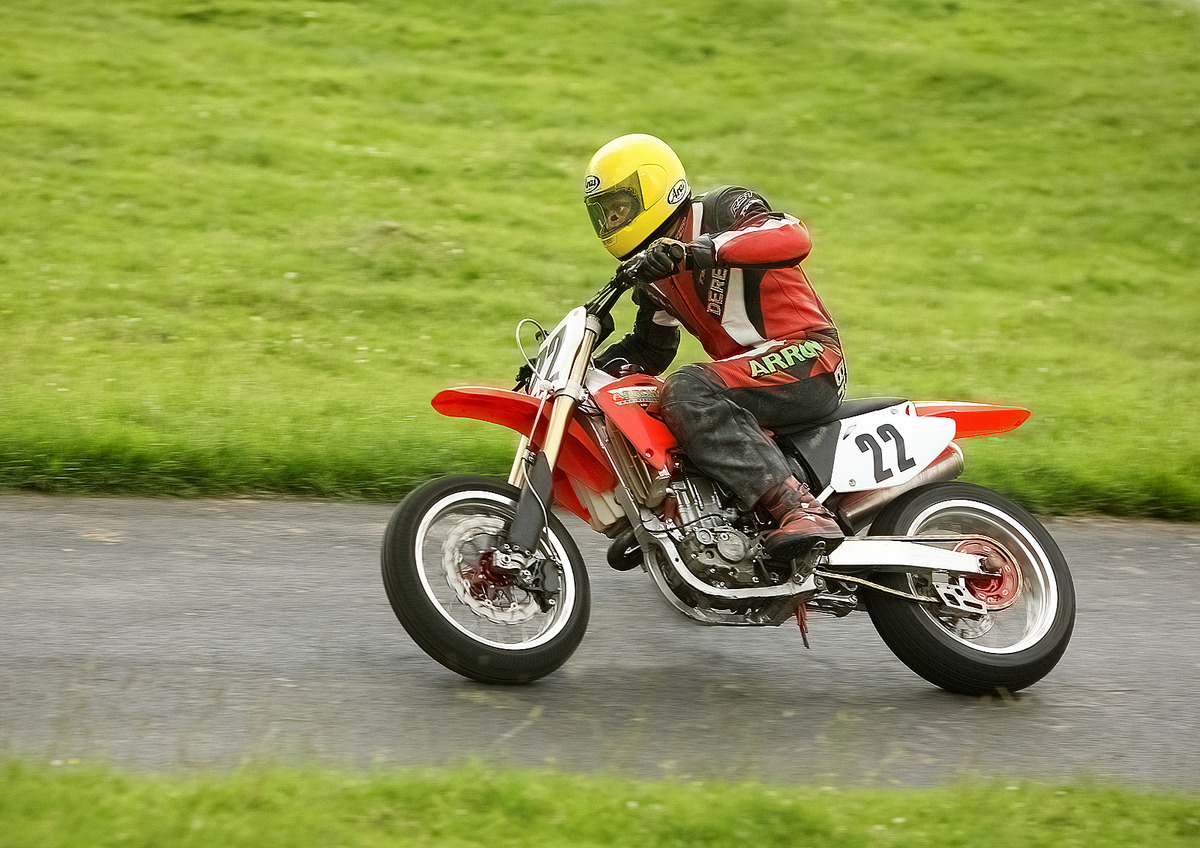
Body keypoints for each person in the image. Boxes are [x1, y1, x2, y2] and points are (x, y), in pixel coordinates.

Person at [584, 133, 847, 560]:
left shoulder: (721, 209)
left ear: (655, 189)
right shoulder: (654, 274)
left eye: (621, 207)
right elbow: (650, 352)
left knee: (688, 389)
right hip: (750, 378)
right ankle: (684, 516)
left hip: (810, 356)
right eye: (605, 213)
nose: (613, 220)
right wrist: (581, 373)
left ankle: (799, 509)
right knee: (643, 398)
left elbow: (792, 236)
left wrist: (697, 252)